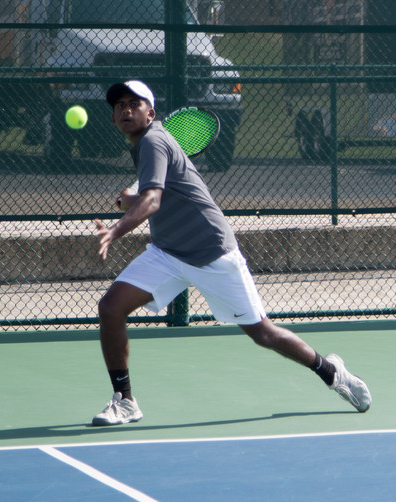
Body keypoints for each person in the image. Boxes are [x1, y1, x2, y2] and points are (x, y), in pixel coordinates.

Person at [92, 80, 371, 426]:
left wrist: (117, 229)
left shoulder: (153, 140)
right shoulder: (147, 146)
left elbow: (153, 200)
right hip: (168, 253)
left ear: (151, 113)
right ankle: (125, 400)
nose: (125, 110)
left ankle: (330, 371)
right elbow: (160, 192)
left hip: (211, 252)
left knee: (263, 333)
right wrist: (129, 199)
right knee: (111, 307)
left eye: (134, 104)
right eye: (119, 106)